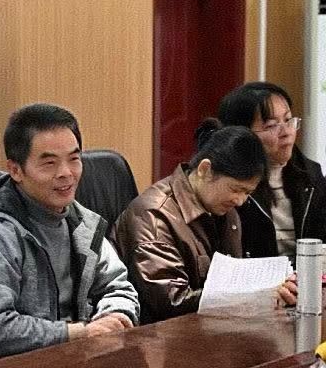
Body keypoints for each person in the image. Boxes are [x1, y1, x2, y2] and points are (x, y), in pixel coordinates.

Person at [0, 103, 139, 365]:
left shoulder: (81, 222)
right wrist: (78, 333)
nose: (66, 173)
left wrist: (114, 318)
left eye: (74, 159)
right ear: (16, 170)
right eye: (49, 163)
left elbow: (118, 286)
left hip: (76, 363)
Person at [111, 121, 273, 323]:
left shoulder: (224, 209)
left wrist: (272, 288)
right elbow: (171, 303)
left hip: (210, 326)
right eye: (235, 189)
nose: (240, 201)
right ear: (205, 169)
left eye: (247, 193)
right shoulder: (154, 216)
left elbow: (231, 278)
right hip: (155, 333)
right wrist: (251, 296)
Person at [218, 82, 326, 262]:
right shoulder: (229, 186)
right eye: (271, 125)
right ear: (241, 135)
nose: (287, 132)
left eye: (288, 120)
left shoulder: (311, 176)